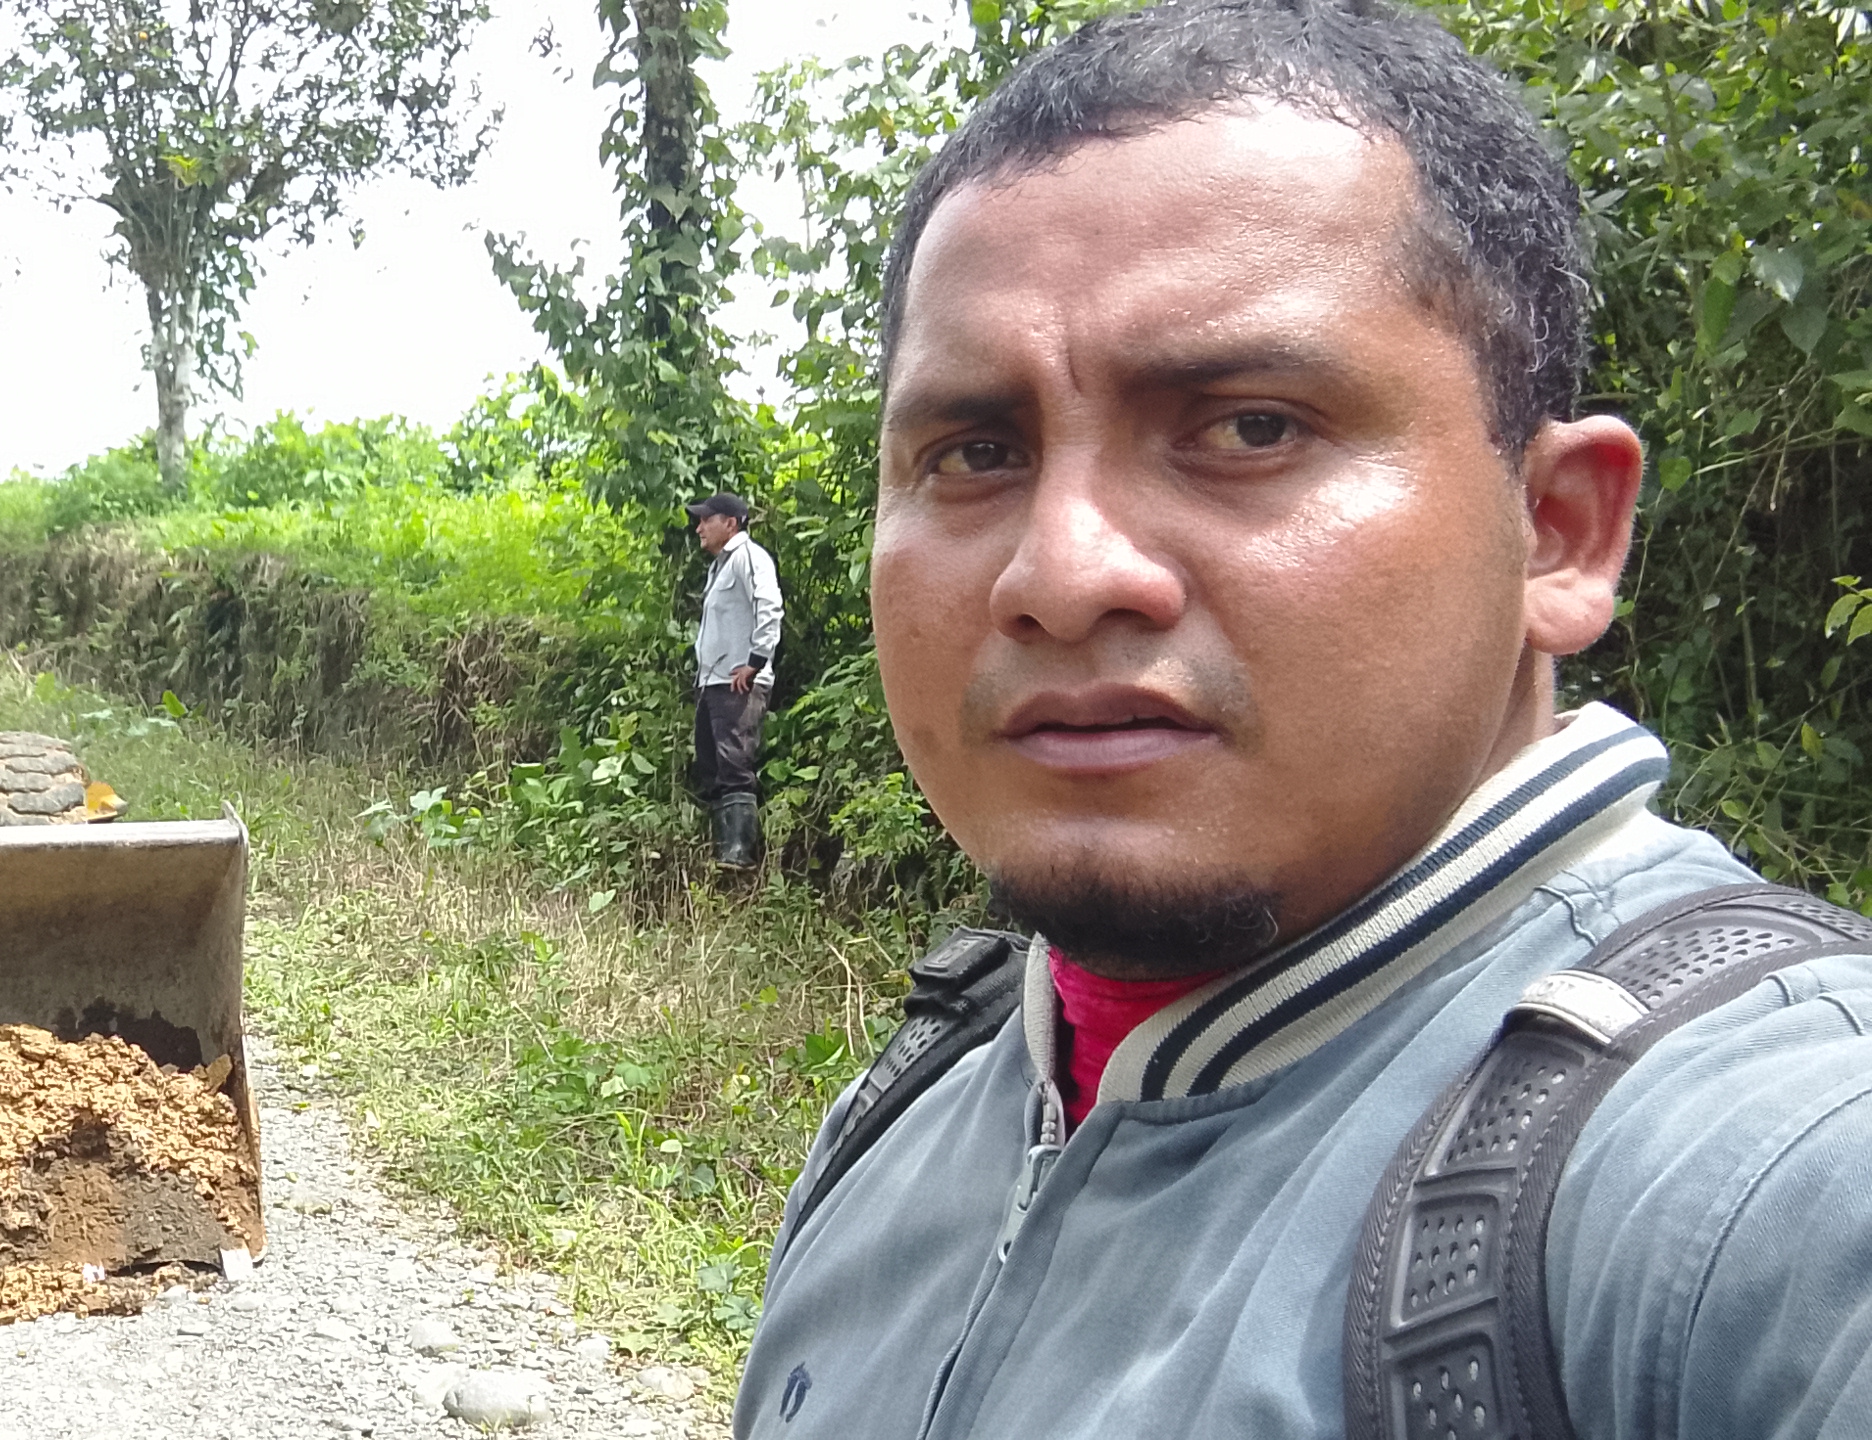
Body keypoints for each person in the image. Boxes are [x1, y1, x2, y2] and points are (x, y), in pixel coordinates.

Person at [733, 3, 1872, 1438]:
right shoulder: (923, 1101)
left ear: (1557, 531)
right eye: (973, 452)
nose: (1061, 577)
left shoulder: (1760, 1173)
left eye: (1251, 427)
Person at [688, 492, 781, 869]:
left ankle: (740, 852)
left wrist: (754, 663)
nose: (699, 528)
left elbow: (769, 608)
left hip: (737, 682)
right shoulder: (720, 566)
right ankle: (722, 848)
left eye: (706, 520)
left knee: (734, 763)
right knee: (711, 764)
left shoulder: (749, 557)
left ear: (730, 523)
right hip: (713, 682)